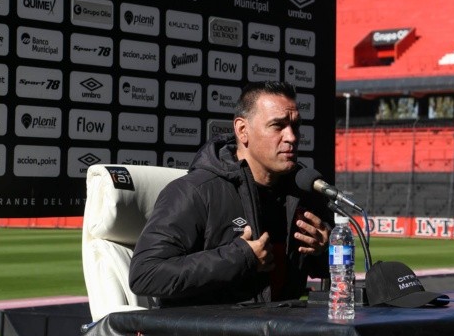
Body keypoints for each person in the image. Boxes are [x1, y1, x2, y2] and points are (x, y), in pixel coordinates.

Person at [129, 81, 331, 307]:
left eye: (296, 126)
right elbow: (145, 274)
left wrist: (325, 250)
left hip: (284, 335)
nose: (292, 137)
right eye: (278, 126)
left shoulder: (304, 193)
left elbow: (323, 272)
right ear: (243, 130)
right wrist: (240, 258)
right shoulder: (195, 191)